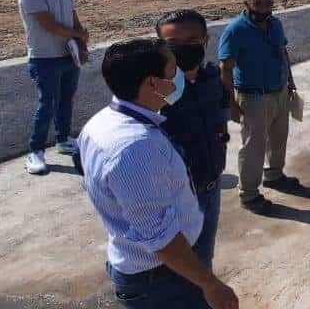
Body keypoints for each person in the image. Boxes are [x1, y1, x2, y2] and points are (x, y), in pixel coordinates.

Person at [78, 38, 239, 309]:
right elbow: (161, 238)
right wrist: (210, 284)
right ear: (152, 83)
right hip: (163, 281)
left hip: (156, 272)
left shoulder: (101, 122)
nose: (180, 75)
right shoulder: (136, 148)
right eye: (173, 69)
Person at [156, 9, 229, 268]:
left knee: (204, 259)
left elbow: (219, 119)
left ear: (206, 41)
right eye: (173, 45)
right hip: (175, 199)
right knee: (177, 269)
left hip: (211, 186)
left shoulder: (212, 78)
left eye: (192, 42)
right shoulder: (153, 92)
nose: (183, 50)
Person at [218, 0, 300, 213]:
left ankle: (274, 175)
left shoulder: (276, 24)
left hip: (279, 91)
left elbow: (283, 53)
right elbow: (225, 68)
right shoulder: (236, 30)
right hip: (253, 97)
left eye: (268, 3)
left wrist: (290, 81)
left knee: (278, 137)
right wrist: (230, 104)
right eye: (258, 4)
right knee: (253, 147)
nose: (264, 8)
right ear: (247, 4)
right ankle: (249, 194)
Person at [18, 0, 88, 175]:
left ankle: (63, 140)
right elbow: (50, 26)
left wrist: (82, 44)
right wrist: (78, 35)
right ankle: (35, 150)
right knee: (47, 103)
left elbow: (73, 19)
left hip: (68, 56)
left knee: (66, 99)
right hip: (44, 59)